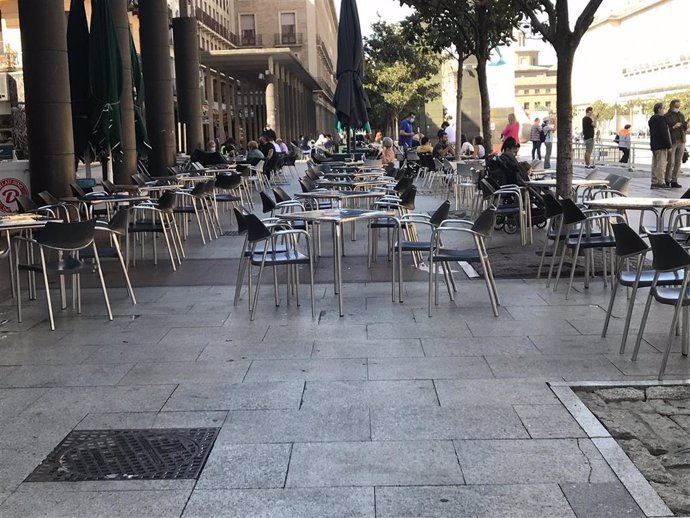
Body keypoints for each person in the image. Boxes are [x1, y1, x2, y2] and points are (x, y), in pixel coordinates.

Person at [664, 99, 688, 188]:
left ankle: (674, 180)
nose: (678, 108)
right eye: (676, 107)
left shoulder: (681, 114)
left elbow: (684, 127)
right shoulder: (667, 116)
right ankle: (667, 179)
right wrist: (674, 127)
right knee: (671, 162)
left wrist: (685, 124)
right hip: (672, 141)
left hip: (681, 140)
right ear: (671, 106)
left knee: (678, 162)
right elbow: (665, 130)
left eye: (679, 106)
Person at [649, 102, 672, 189]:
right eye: (663, 108)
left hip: (654, 145)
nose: (664, 110)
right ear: (659, 109)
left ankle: (654, 181)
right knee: (661, 164)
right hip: (661, 145)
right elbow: (664, 133)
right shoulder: (661, 119)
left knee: (654, 164)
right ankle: (660, 181)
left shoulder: (652, 119)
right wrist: (669, 145)